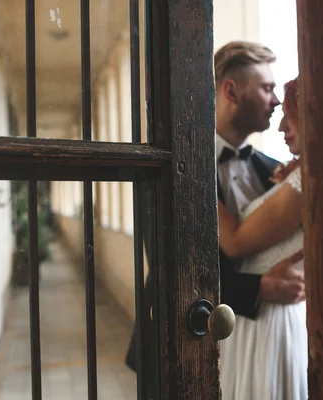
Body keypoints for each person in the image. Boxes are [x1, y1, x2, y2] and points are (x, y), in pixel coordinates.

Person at [124, 42, 305, 397]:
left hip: (262, 347)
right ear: (231, 91)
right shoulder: (165, 168)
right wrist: (259, 289)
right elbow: (168, 268)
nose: (277, 101)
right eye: (268, 88)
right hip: (182, 340)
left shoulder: (274, 171)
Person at [218, 77, 307, 400]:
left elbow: (235, 242)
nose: (281, 123)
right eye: (267, 90)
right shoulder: (292, 173)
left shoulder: (303, 177)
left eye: (291, 111)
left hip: (270, 322)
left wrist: (191, 183)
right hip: (235, 320)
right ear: (231, 90)